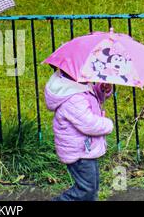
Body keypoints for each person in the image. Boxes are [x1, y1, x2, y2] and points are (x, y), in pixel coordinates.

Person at [44, 70, 114, 201]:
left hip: (84, 147)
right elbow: (88, 123)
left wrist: (101, 90)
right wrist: (108, 124)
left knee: (92, 187)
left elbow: (90, 99)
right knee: (86, 190)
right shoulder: (73, 98)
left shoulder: (76, 85)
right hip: (78, 151)